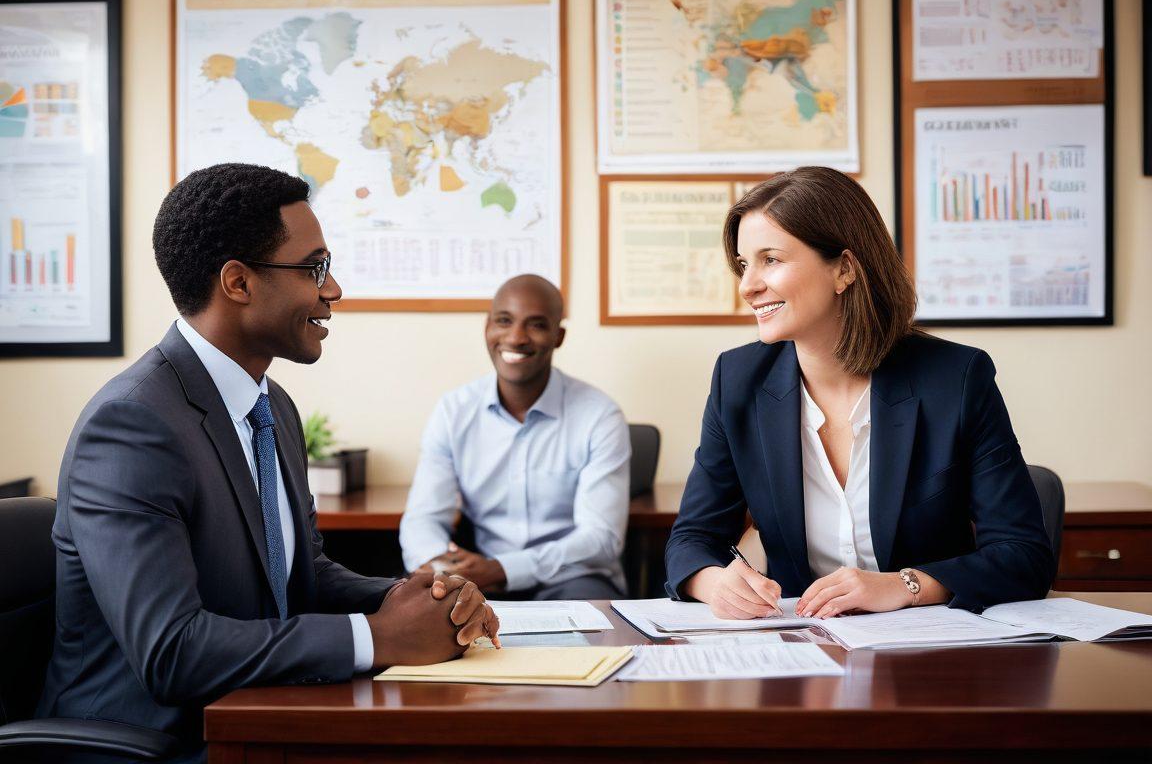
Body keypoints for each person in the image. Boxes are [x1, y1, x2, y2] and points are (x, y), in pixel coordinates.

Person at [38, 163, 499, 763]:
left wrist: (423, 598)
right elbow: (172, 651)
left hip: (254, 711)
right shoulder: (132, 425)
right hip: (154, 741)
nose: (332, 291)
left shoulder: (269, 406)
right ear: (238, 283)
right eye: (315, 269)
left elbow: (301, 575)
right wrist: (378, 636)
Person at [665, 167, 1055, 620]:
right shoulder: (737, 380)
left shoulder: (956, 379)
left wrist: (905, 585)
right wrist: (715, 582)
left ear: (845, 269)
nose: (747, 285)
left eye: (770, 259)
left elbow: (1025, 555)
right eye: (744, 263)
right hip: (805, 648)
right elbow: (690, 540)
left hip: (933, 647)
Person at [399, 274, 631, 600]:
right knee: (426, 616)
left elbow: (600, 538)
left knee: (587, 636)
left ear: (558, 336)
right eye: (504, 321)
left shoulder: (599, 415)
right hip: (478, 579)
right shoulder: (454, 411)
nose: (516, 337)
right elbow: (423, 518)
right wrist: (440, 570)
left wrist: (502, 569)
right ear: (487, 327)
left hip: (572, 580)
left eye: (536, 325)